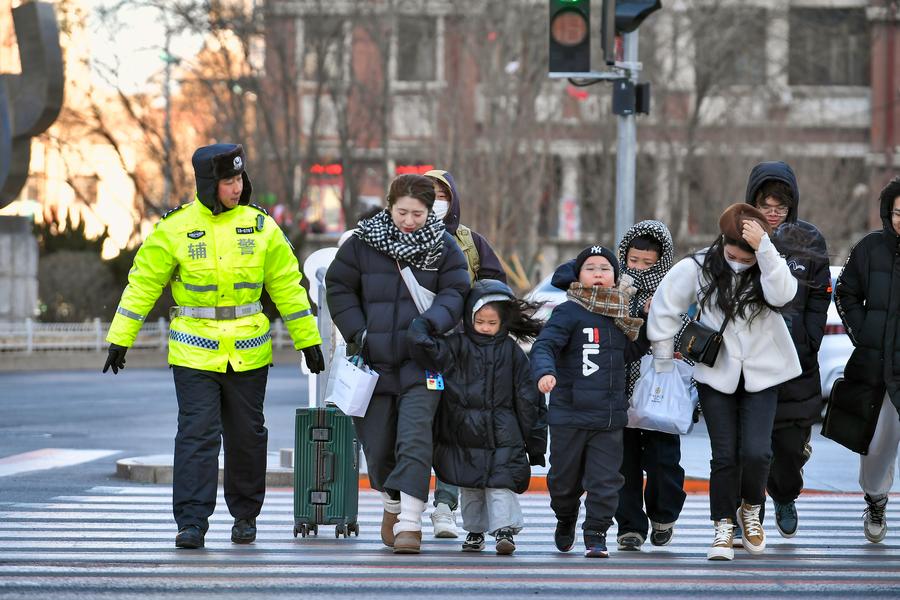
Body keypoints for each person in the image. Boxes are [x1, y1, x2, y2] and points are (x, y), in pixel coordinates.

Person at [102, 143, 325, 549]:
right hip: (193, 352)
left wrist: (308, 340)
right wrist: (120, 338)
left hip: (248, 351)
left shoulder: (261, 227)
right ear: (208, 184)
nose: (237, 187)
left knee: (247, 435)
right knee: (196, 436)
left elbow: (288, 288)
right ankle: (192, 522)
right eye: (228, 181)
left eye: (240, 178)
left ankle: (245, 516)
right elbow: (143, 284)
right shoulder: (175, 228)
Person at [325, 173, 470, 554]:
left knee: (415, 438)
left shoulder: (444, 247)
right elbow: (338, 287)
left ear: (429, 212)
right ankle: (391, 501)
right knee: (378, 444)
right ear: (389, 206)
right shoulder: (361, 243)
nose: (409, 221)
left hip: (423, 362)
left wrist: (431, 323)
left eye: (417, 214)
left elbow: (456, 291)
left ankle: (410, 522)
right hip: (373, 363)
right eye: (402, 212)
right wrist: (359, 332)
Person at [648, 203, 801, 561]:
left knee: (757, 452)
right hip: (717, 372)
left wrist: (765, 249)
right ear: (722, 242)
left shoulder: (768, 266)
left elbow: (784, 295)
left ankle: (750, 509)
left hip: (764, 373)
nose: (738, 262)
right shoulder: (698, 266)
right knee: (725, 455)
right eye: (733, 254)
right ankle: (722, 525)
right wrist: (663, 356)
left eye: (746, 258)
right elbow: (666, 307)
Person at [407, 279, 547, 555]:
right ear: (470, 317)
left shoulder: (512, 352)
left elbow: (529, 399)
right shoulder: (456, 346)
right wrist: (420, 329)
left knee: (501, 484)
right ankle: (475, 530)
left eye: (491, 323)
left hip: (503, 433)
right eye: (479, 321)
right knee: (470, 486)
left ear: (503, 322)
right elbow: (428, 352)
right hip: (464, 432)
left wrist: (536, 442)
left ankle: (504, 530)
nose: (484, 327)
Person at [530, 244, 649, 558]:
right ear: (578, 276)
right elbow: (545, 346)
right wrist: (545, 372)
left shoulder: (620, 311)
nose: (598, 273)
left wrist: (648, 325)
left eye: (605, 268)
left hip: (607, 417)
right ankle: (565, 516)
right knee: (562, 481)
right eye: (591, 268)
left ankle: (596, 533)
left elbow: (629, 353)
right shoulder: (568, 311)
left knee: (605, 481)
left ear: (614, 277)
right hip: (568, 415)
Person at [745, 161, 830, 539]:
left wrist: (810, 342)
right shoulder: (738, 234)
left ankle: (784, 495)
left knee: (790, 449)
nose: (774, 212)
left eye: (781, 205)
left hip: (798, 362)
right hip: (753, 361)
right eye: (767, 204)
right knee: (754, 448)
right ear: (754, 203)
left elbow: (819, 297)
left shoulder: (810, 240)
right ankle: (752, 509)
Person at [424, 169, 508, 537]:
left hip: (462, 351)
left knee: (454, 426)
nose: (436, 201)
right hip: (417, 347)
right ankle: (399, 506)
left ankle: (444, 506)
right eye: (429, 193)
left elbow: (496, 288)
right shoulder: (399, 238)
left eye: (442, 194)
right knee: (416, 429)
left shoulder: (470, 241)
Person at [613, 221, 687, 551]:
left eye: (649, 262)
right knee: (623, 464)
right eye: (634, 261)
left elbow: (690, 332)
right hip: (619, 390)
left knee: (663, 461)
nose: (640, 268)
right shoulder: (613, 290)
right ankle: (629, 526)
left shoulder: (676, 290)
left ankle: (663, 516)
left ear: (662, 261)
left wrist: (661, 314)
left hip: (660, 390)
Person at [835, 175, 900, 544]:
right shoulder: (869, 248)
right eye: (898, 212)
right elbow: (844, 292)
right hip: (880, 370)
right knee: (878, 446)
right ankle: (876, 499)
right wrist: (866, 336)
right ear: (888, 213)